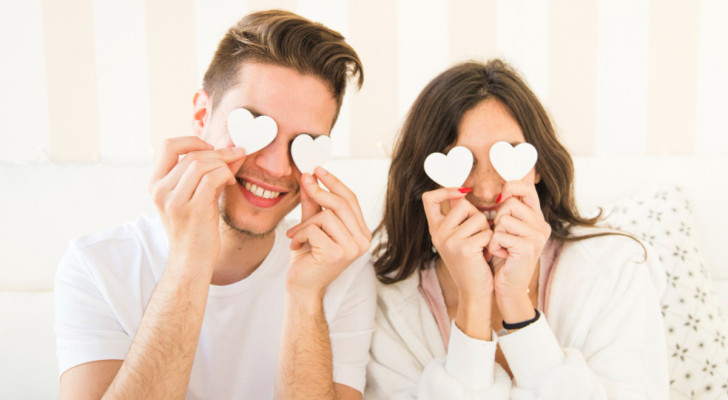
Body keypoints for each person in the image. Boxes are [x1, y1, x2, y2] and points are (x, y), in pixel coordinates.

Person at [54, 10, 375, 400]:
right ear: (202, 115)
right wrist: (190, 262)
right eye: (256, 126)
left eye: (302, 144)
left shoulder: (340, 272)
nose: (276, 167)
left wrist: (306, 297)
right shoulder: (98, 267)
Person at [365, 59, 669, 399]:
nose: (485, 190)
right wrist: (474, 301)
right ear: (428, 180)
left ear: (537, 167)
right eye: (461, 162)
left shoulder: (616, 268)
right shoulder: (388, 302)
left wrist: (516, 304)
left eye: (506, 157)